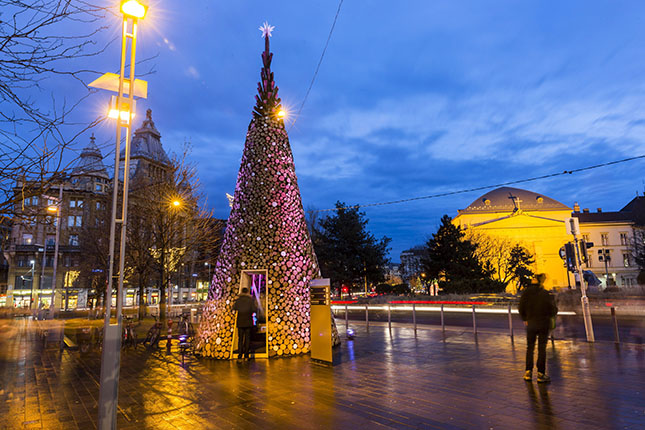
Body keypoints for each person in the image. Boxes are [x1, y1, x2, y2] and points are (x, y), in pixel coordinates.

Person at [519, 273, 558, 383]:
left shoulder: (526, 293)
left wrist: (525, 319)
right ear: (541, 281)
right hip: (543, 324)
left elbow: (521, 307)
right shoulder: (545, 294)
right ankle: (541, 374)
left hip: (530, 324)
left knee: (530, 348)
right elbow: (553, 309)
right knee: (542, 349)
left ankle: (528, 372)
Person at [233, 287, 257, 360]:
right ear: (247, 292)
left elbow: (234, 308)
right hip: (248, 321)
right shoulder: (250, 300)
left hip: (240, 322)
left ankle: (240, 355)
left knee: (240, 339)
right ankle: (246, 355)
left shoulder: (238, 300)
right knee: (247, 339)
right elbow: (254, 309)